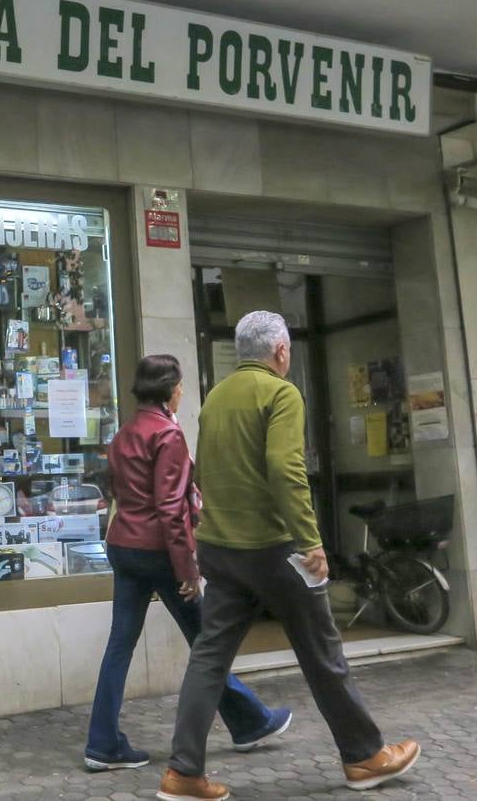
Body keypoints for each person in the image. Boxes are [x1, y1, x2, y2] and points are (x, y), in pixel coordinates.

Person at [158, 312, 419, 801]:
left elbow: (204, 471)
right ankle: (364, 756)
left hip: (218, 546)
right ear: (281, 352)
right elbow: (285, 467)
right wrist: (310, 540)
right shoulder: (281, 393)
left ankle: (183, 772)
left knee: (209, 657)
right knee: (322, 651)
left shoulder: (215, 397)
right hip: (273, 548)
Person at [85, 354, 291, 772]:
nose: (182, 391)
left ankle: (101, 742)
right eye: (179, 385)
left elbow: (120, 493)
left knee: (120, 645)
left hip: (123, 546)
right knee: (207, 644)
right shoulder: (168, 435)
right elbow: (170, 511)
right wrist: (188, 572)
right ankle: (251, 722)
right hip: (158, 551)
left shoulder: (124, 433)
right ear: (168, 389)